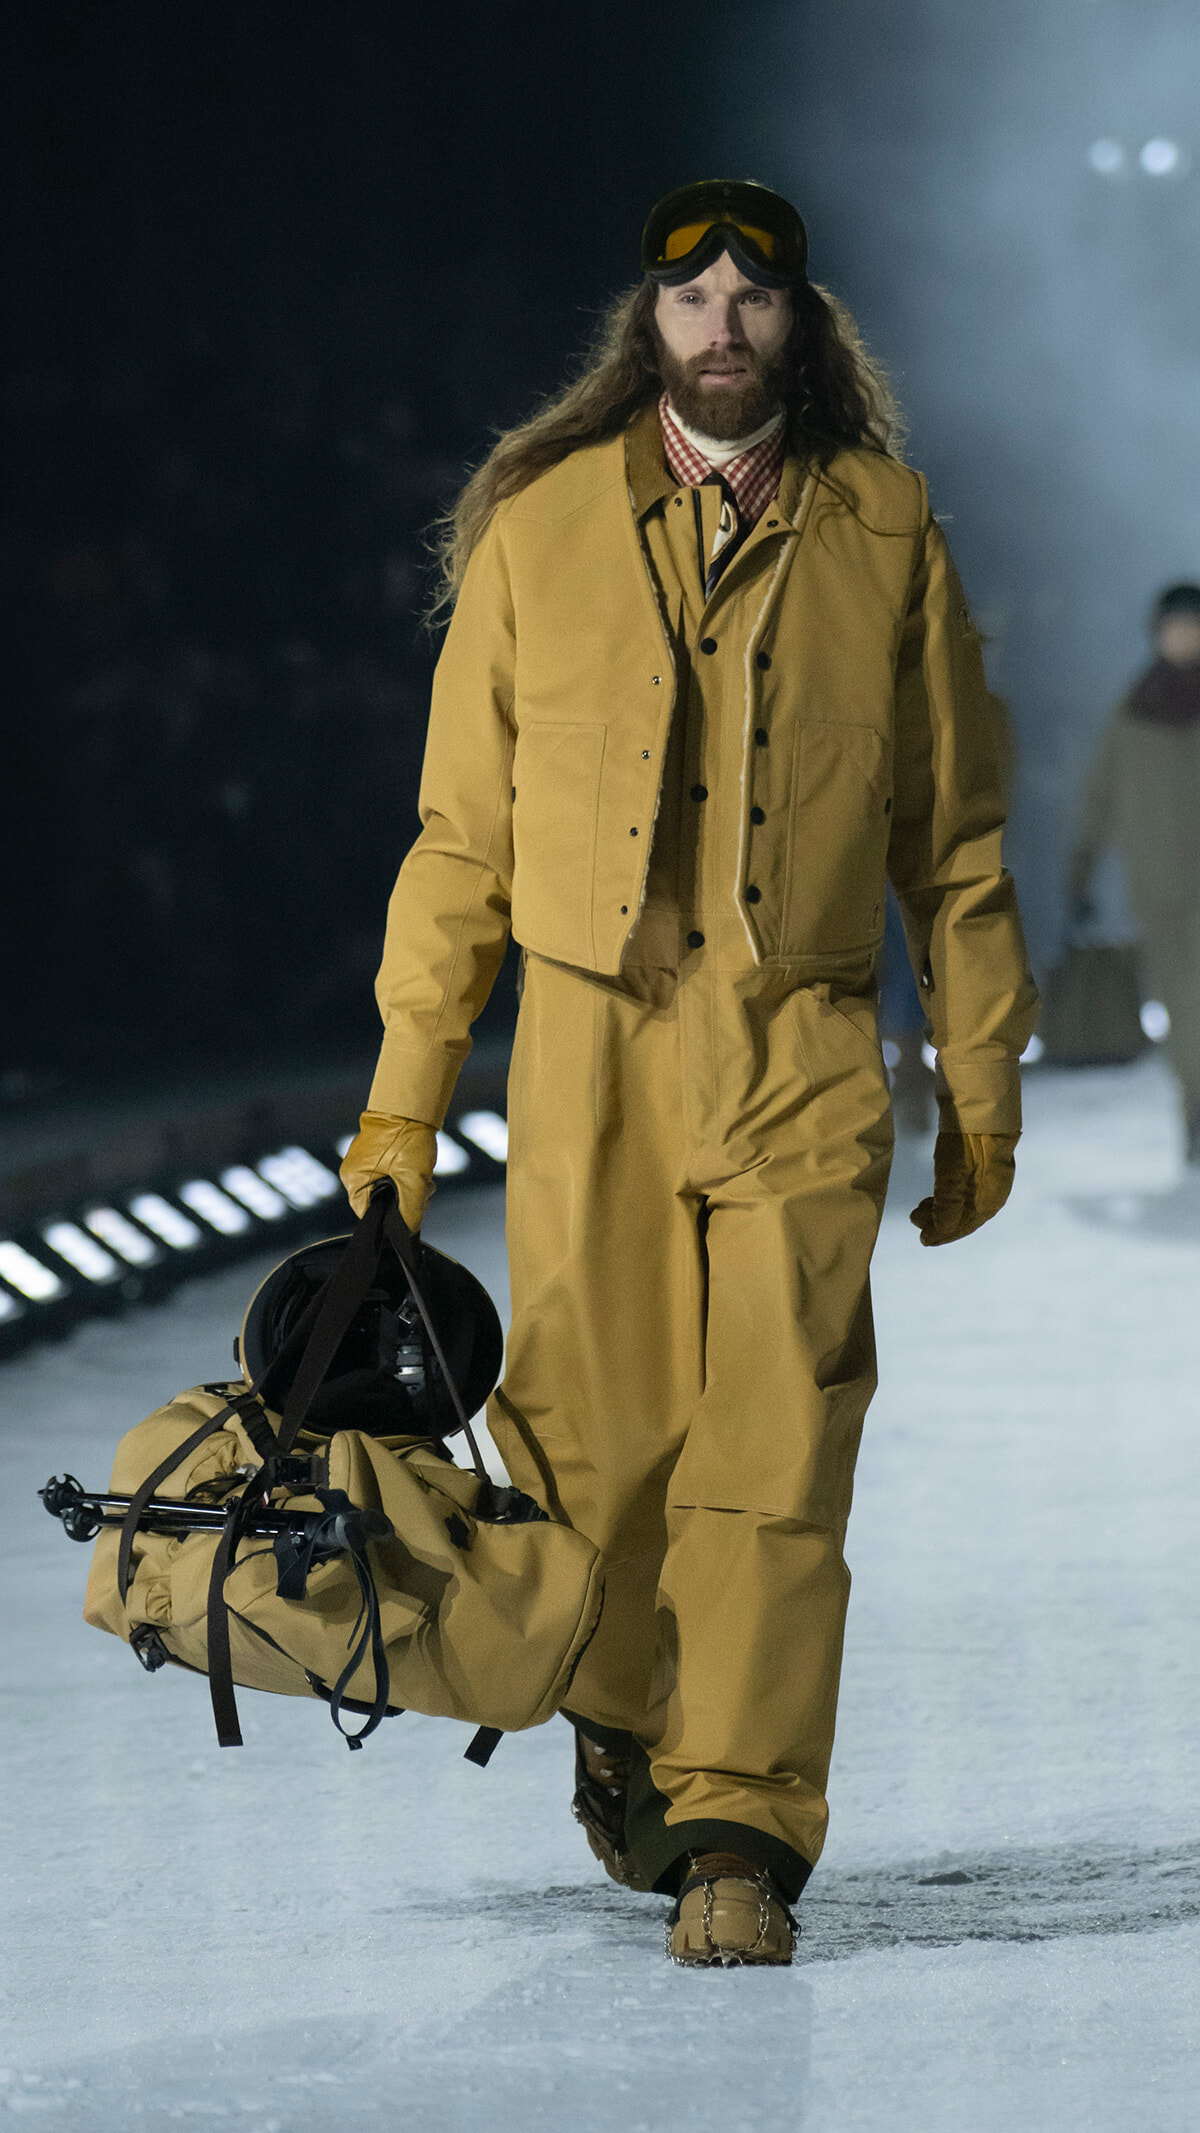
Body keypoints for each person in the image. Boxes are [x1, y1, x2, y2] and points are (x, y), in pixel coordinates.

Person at [340, 179, 1038, 1966]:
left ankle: (737, 1827)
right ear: (644, 327)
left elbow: (951, 838)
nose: (723, 325)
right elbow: (460, 842)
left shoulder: (887, 528)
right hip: (593, 1051)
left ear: (803, 324)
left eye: (755, 296)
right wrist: (406, 1097)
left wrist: (981, 1080)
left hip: (801, 1042)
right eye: (691, 298)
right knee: (594, 1444)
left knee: (779, 1448)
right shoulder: (544, 526)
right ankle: (625, 1717)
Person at [1068, 582, 1200, 1161]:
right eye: (1175, 626)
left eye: (1193, 626)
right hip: (1160, 886)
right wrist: (1080, 874)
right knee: (1184, 1009)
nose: (1184, 636)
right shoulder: (1133, 714)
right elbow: (1098, 798)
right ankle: (1195, 1111)